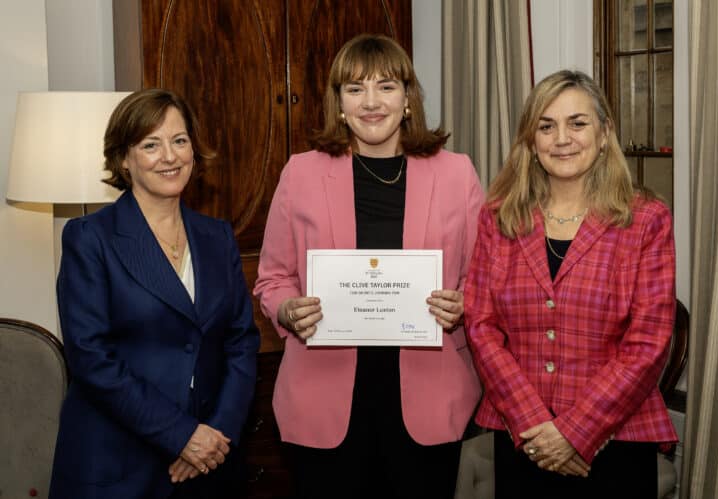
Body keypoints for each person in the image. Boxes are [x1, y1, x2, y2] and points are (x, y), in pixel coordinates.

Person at [253, 34, 483, 499]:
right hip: (322, 399)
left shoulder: (457, 173)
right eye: (355, 89)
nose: (371, 102)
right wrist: (287, 310)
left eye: (386, 86)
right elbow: (272, 278)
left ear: (407, 98)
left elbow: (484, 280)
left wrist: (464, 303)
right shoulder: (300, 173)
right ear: (338, 103)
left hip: (430, 397)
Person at [463, 70, 679, 498]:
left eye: (577, 123)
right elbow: (480, 326)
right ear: (531, 141)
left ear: (604, 134)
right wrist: (533, 425)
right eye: (546, 126)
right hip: (524, 440)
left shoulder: (646, 219)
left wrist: (575, 432)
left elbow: (648, 343)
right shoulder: (499, 216)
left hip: (617, 441)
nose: (562, 138)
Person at [49, 88, 260, 499]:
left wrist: (217, 435)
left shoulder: (216, 236)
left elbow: (241, 343)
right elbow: (91, 357)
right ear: (123, 158)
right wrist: (181, 435)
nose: (170, 156)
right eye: (151, 144)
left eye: (180, 141)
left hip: (208, 463)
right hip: (119, 464)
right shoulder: (90, 237)